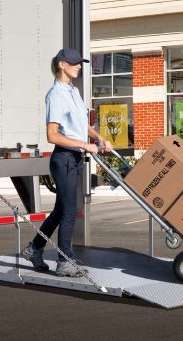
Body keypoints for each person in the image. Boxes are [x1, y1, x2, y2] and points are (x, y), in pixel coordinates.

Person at [22, 47, 112, 277]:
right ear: (62, 64)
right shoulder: (56, 95)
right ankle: (64, 261)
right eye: (74, 63)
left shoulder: (73, 92)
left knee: (60, 211)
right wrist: (84, 145)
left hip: (74, 159)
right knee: (70, 211)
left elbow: (82, 126)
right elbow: (52, 135)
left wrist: (99, 138)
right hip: (63, 160)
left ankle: (35, 248)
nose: (79, 66)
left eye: (80, 63)